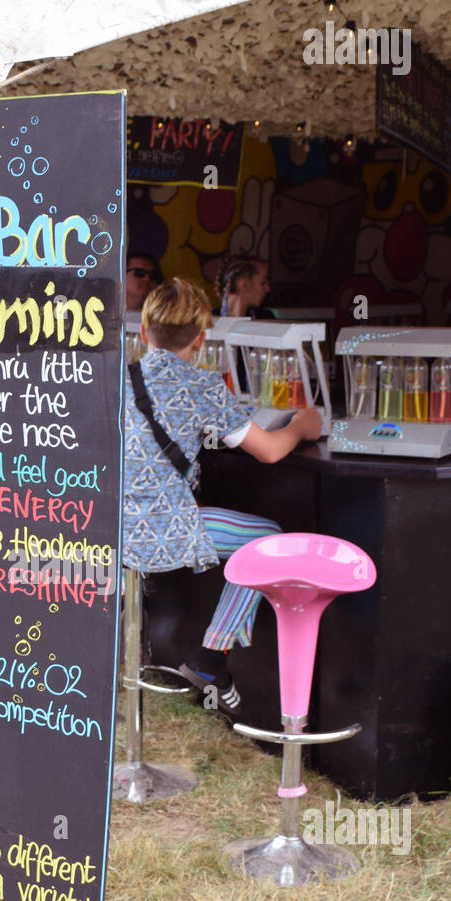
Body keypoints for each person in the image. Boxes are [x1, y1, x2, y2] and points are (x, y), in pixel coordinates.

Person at [123, 277, 322, 712]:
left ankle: (197, 661)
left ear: (142, 332)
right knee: (266, 542)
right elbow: (269, 451)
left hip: (109, 533)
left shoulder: (115, 381)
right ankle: (212, 656)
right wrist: (303, 425)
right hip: (169, 531)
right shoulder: (204, 386)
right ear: (200, 338)